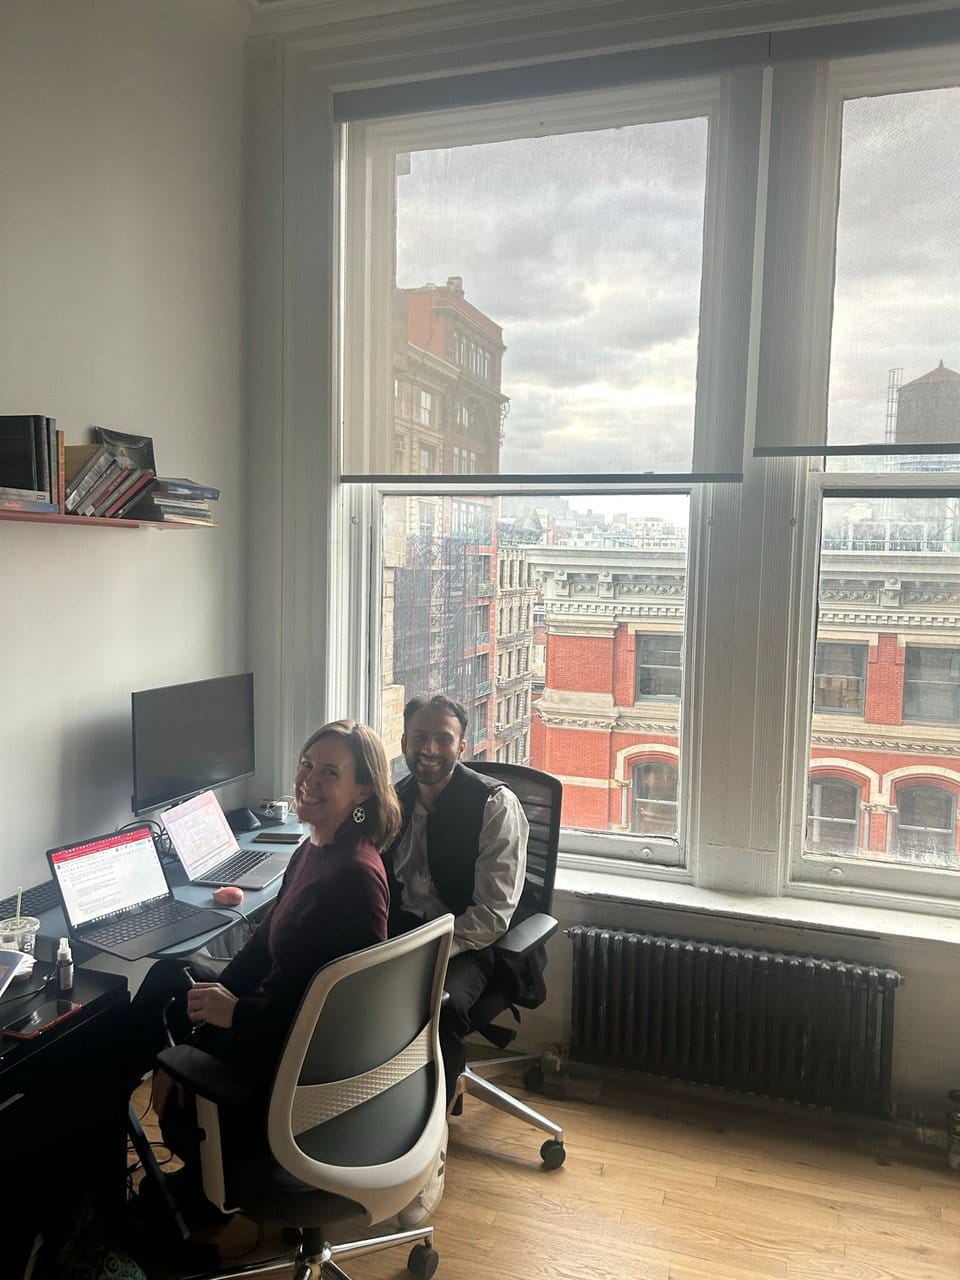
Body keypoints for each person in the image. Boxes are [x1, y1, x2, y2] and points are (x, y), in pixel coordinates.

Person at [127, 719, 400, 1225]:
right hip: (270, 1021)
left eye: (329, 773)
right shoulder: (314, 847)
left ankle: (207, 1205)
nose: (309, 780)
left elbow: (337, 1016)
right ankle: (113, 1104)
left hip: (289, 1065)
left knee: (172, 1044)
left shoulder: (355, 877)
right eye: (306, 764)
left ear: (363, 788)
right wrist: (221, 996)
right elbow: (262, 943)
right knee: (171, 975)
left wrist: (229, 1019)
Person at [383, 693, 529, 1225]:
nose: (430, 748)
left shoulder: (493, 805)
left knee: (436, 1008)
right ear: (404, 741)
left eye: (442, 738)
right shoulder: (391, 800)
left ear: (461, 745)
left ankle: (427, 1155)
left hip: (469, 943)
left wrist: (428, 950)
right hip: (402, 933)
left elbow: (492, 915)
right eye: (420, 736)